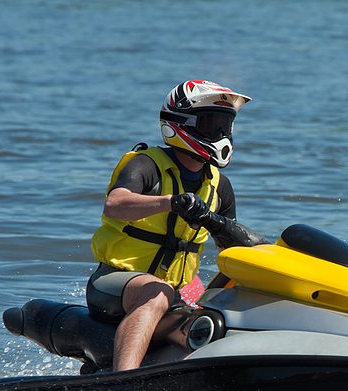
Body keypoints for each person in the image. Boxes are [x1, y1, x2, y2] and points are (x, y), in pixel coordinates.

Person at [87, 79, 266, 371]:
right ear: (182, 124)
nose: (221, 134)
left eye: (225, 126)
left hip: (174, 295)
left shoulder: (219, 186)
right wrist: (171, 202)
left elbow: (229, 255)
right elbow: (115, 204)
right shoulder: (145, 164)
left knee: (212, 324)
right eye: (211, 124)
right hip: (115, 284)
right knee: (156, 291)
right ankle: (123, 382)